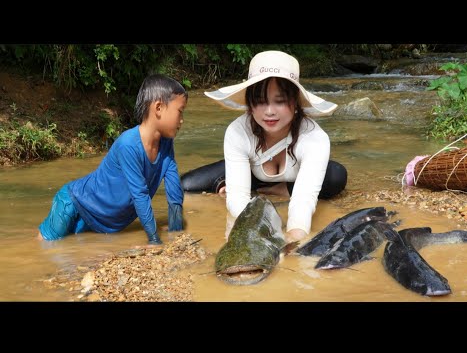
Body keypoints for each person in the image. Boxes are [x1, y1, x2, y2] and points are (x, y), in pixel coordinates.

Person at [202, 50, 347, 243]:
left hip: (293, 178)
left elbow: (303, 202)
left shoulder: (315, 138)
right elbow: (237, 200)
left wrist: (294, 236)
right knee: (188, 185)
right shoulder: (237, 131)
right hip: (253, 171)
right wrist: (252, 231)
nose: (269, 112)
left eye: (279, 101)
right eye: (260, 102)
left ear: (295, 103)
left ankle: (282, 188)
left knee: (335, 175)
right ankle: (233, 181)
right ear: (250, 104)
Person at [38, 74, 188, 244]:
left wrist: (176, 230)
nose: (182, 120)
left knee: (71, 252)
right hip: (73, 204)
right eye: (180, 111)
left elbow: (173, 187)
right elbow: (140, 195)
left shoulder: (166, 143)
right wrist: (154, 240)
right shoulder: (128, 145)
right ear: (159, 108)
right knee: (45, 246)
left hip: (100, 223)